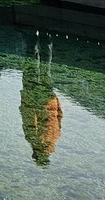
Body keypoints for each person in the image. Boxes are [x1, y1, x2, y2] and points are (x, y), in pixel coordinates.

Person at [20, 34, 62, 166]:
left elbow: (60, 116)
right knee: (31, 70)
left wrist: (55, 100)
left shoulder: (55, 139)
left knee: (46, 71)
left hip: (50, 101)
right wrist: (25, 100)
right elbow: (30, 119)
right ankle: (31, 40)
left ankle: (46, 41)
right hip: (34, 99)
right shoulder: (35, 140)